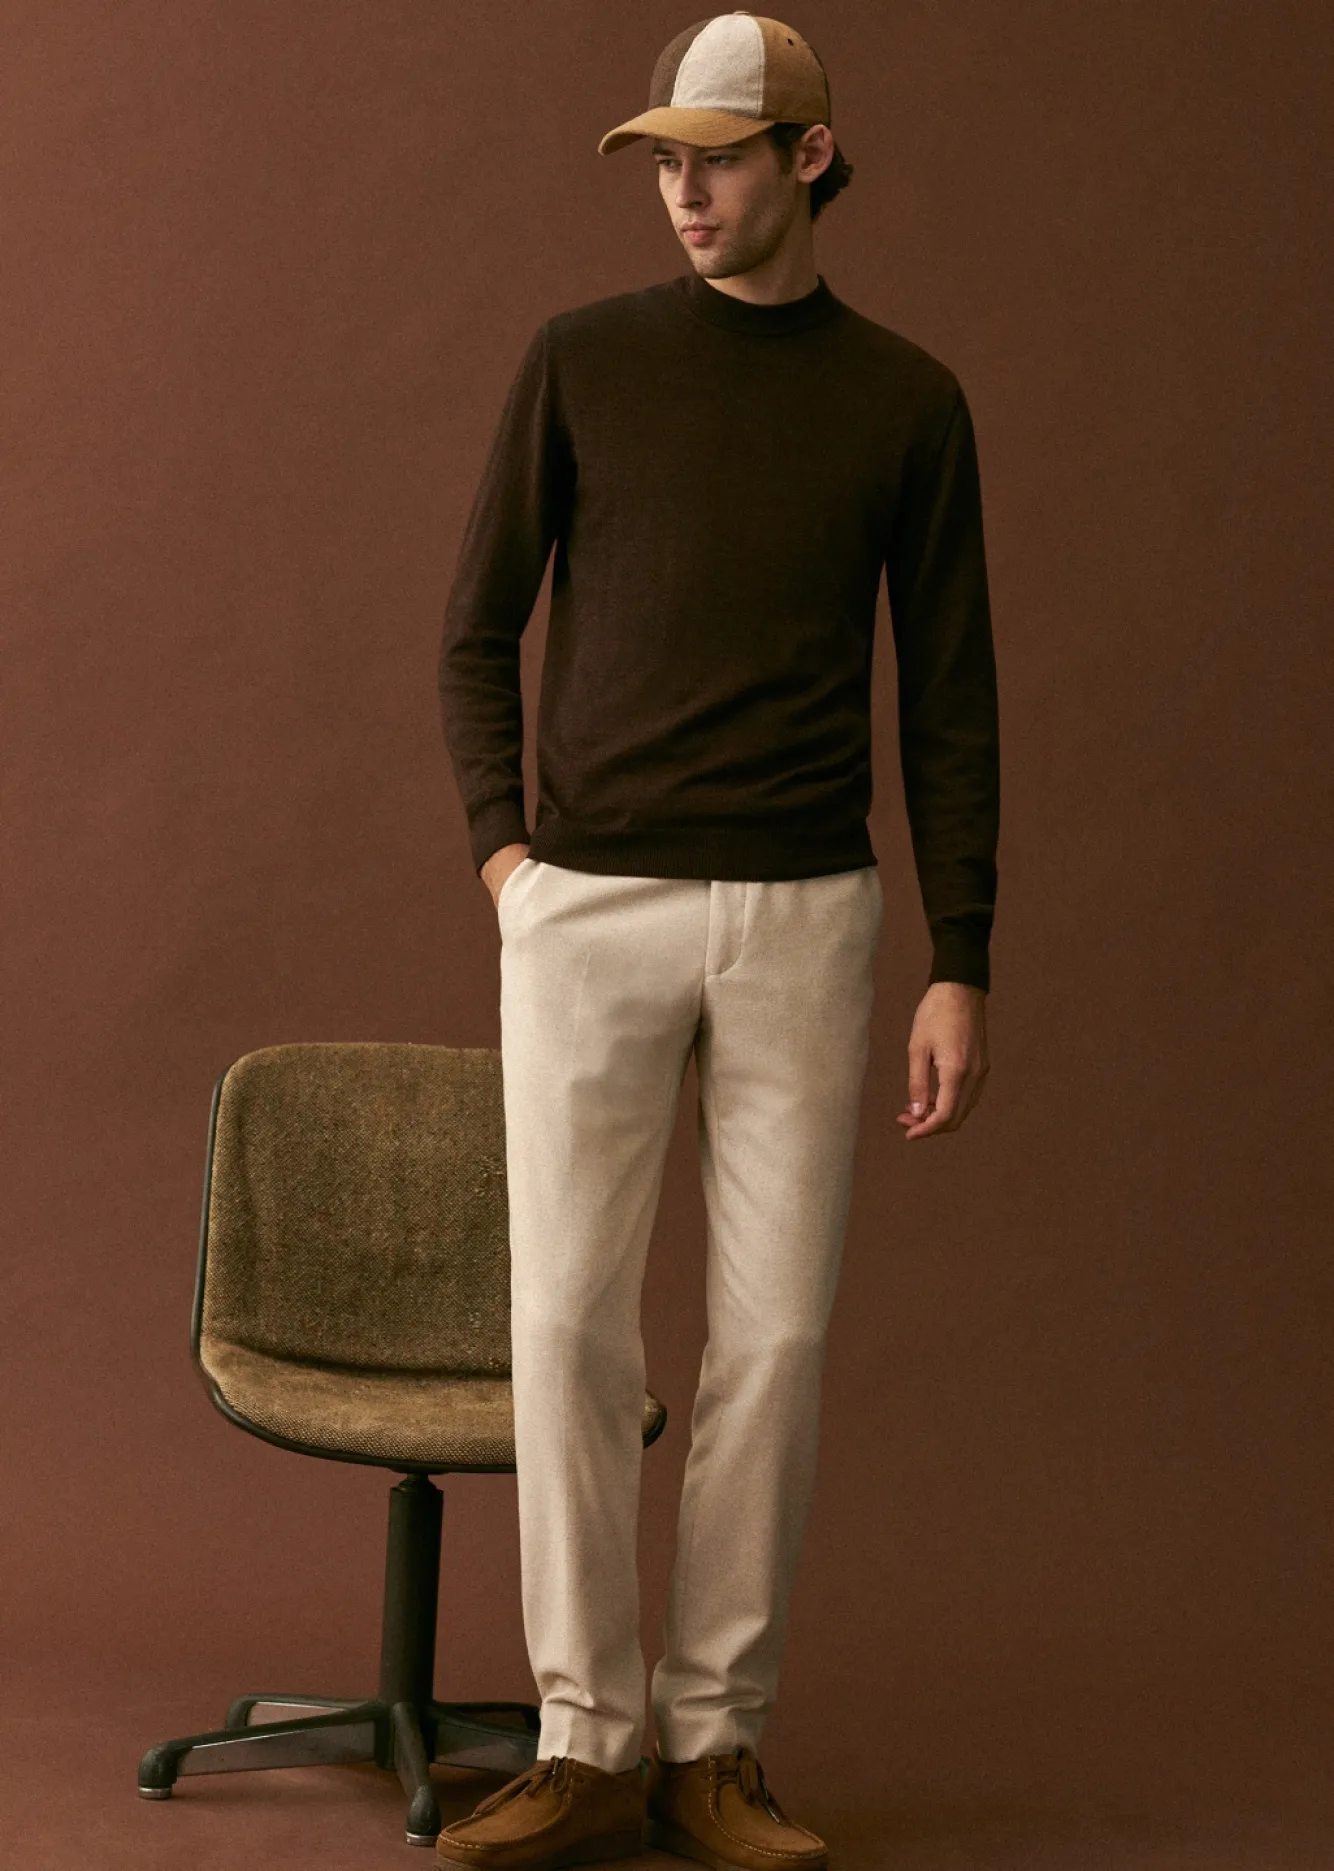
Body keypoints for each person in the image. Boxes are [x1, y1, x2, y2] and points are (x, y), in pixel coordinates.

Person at [434, 12, 998, 1867]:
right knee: (564, 1325)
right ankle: (584, 1739)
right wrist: (511, 866)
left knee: (775, 1338)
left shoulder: (906, 401)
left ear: (808, 160)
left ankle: (713, 1745)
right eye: (664, 161)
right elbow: (472, 628)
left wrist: (959, 952)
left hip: (806, 918)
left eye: (720, 158)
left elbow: (951, 696)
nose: (683, 191)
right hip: (587, 907)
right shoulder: (580, 362)